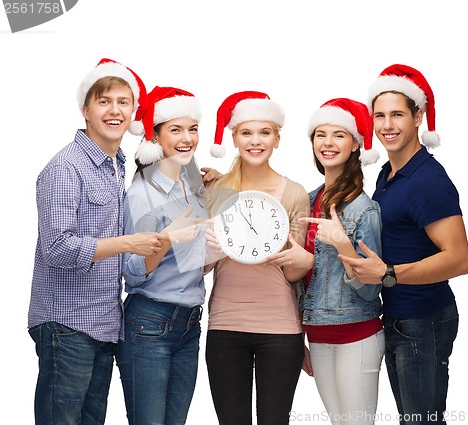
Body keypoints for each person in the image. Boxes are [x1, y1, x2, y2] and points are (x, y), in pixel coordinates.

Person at [27, 58, 169, 425]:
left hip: (103, 323)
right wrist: (127, 243)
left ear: (133, 111)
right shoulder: (66, 167)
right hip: (66, 324)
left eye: (123, 102)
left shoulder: (115, 164)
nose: (114, 110)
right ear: (85, 109)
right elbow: (57, 248)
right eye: (104, 101)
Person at [339, 64, 468, 425]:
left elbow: (459, 259)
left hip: (423, 319)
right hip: (397, 317)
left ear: (418, 117)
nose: (387, 125)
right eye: (379, 115)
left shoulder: (428, 180)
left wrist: (389, 274)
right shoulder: (388, 174)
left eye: (397, 114)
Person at [205, 91, 312, 425]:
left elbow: (296, 275)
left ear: (277, 139)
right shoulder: (215, 189)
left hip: (280, 327)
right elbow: (200, 266)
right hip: (225, 324)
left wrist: (297, 258)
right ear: (234, 138)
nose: (255, 141)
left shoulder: (294, 192)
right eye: (246, 133)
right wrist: (211, 248)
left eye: (264, 133)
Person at [115, 86, 216, 425]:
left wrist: (215, 252)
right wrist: (167, 241)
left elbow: (189, 265)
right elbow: (131, 273)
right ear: (155, 137)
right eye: (175, 130)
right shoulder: (142, 193)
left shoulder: (191, 183)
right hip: (149, 322)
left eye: (193, 129)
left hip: (188, 323)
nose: (187, 138)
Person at [297, 98, 385, 425]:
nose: (328, 143)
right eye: (321, 135)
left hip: (357, 336)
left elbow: (369, 288)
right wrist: (299, 338)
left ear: (355, 145)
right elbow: (301, 278)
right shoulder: (308, 200)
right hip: (317, 337)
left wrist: (343, 245)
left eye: (339, 135)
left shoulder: (364, 208)